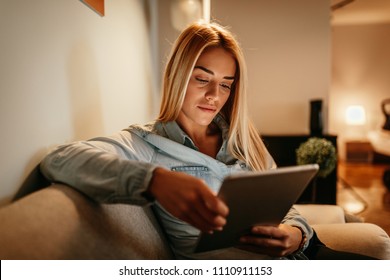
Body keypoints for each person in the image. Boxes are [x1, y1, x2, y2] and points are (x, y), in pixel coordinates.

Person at [39, 21, 374, 260]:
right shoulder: (143, 144)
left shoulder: (243, 141)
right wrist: (154, 180)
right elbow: (59, 159)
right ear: (176, 75)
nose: (215, 96)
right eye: (202, 79)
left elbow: (286, 210)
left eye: (226, 84)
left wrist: (296, 234)